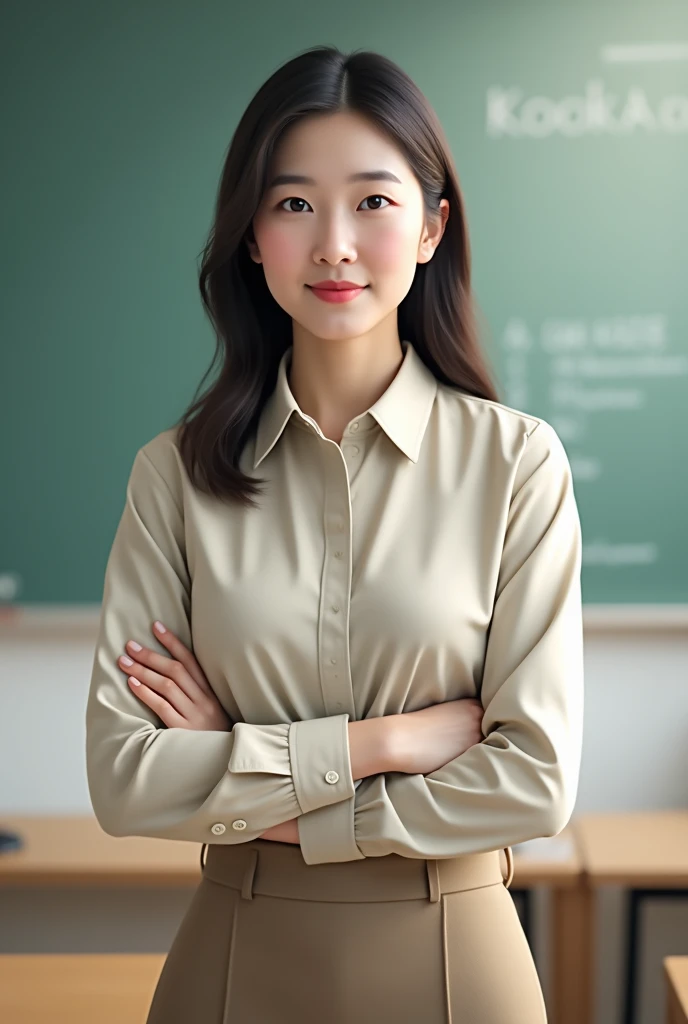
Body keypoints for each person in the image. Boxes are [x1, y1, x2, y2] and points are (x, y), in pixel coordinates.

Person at [85, 44, 584, 1024]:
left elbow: (533, 781)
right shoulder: (174, 476)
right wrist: (386, 741)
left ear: (434, 226)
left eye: (372, 201)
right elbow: (127, 779)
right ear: (251, 236)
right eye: (293, 203)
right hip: (233, 956)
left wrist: (244, 769)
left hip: (457, 962)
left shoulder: (515, 464)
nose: (334, 245)